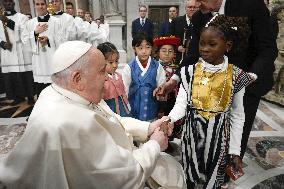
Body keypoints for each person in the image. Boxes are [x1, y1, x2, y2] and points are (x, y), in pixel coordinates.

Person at [0, 41, 185, 189]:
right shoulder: (69, 123)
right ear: (77, 79)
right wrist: (154, 144)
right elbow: (124, 178)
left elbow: (111, 118)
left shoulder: (65, 92)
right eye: (101, 71)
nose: (107, 77)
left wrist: (149, 127)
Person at [157, 0, 278, 161]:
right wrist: (174, 80)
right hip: (211, 84)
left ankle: (226, 171)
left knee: (236, 131)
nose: (198, 5)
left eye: (202, 0)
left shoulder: (251, 5)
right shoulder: (200, 17)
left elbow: (267, 49)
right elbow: (193, 54)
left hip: (246, 84)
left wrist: (250, 77)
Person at [165, 15, 254, 188]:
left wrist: (235, 151)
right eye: (201, 43)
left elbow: (237, 115)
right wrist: (170, 119)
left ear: (227, 46)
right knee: (190, 175)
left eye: (212, 44)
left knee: (213, 179)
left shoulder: (236, 76)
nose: (204, 49)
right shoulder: (189, 72)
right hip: (192, 135)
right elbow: (181, 103)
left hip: (219, 139)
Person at [122, 32, 166, 121]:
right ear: (134, 48)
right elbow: (124, 91)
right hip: (133, 113)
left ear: (152, 48)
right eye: (140, 48)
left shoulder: (157, 67)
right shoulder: (129, 67)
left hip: (152, 111)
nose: (144, 51)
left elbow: (162, 88)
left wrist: (161, 108)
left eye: (148, 47)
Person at [22, 0, 63, 96]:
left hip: (52, 61)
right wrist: (35, 33)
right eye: (37, 4)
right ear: (34, 6)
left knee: (56, 93)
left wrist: (49, 40)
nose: (40, 7)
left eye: (42, 4)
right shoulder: (30, 23)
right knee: (41, 94)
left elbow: (62, 40)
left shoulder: (56, 22)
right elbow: (24, 41)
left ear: (46, 5)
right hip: (39, 63)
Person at [0, 0, 35, 104]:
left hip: (21, 50)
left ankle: (30, 96)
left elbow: (24, 31)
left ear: (14, 3)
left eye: (10, 2)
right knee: (12, 75)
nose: (8, 4)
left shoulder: (22, 17)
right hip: (7, 51)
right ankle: (17, 97)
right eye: (6, 2)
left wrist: (7, 21)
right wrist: (2, 43)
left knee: (25, 74)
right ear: (3, 5)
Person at [97, 42, 131, 117]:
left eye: (116, 61)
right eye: (111, 62)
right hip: (109, 110)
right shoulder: (100, 79)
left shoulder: (119, 76)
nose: (115, 65)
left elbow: (124, 94)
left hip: (122, 109)